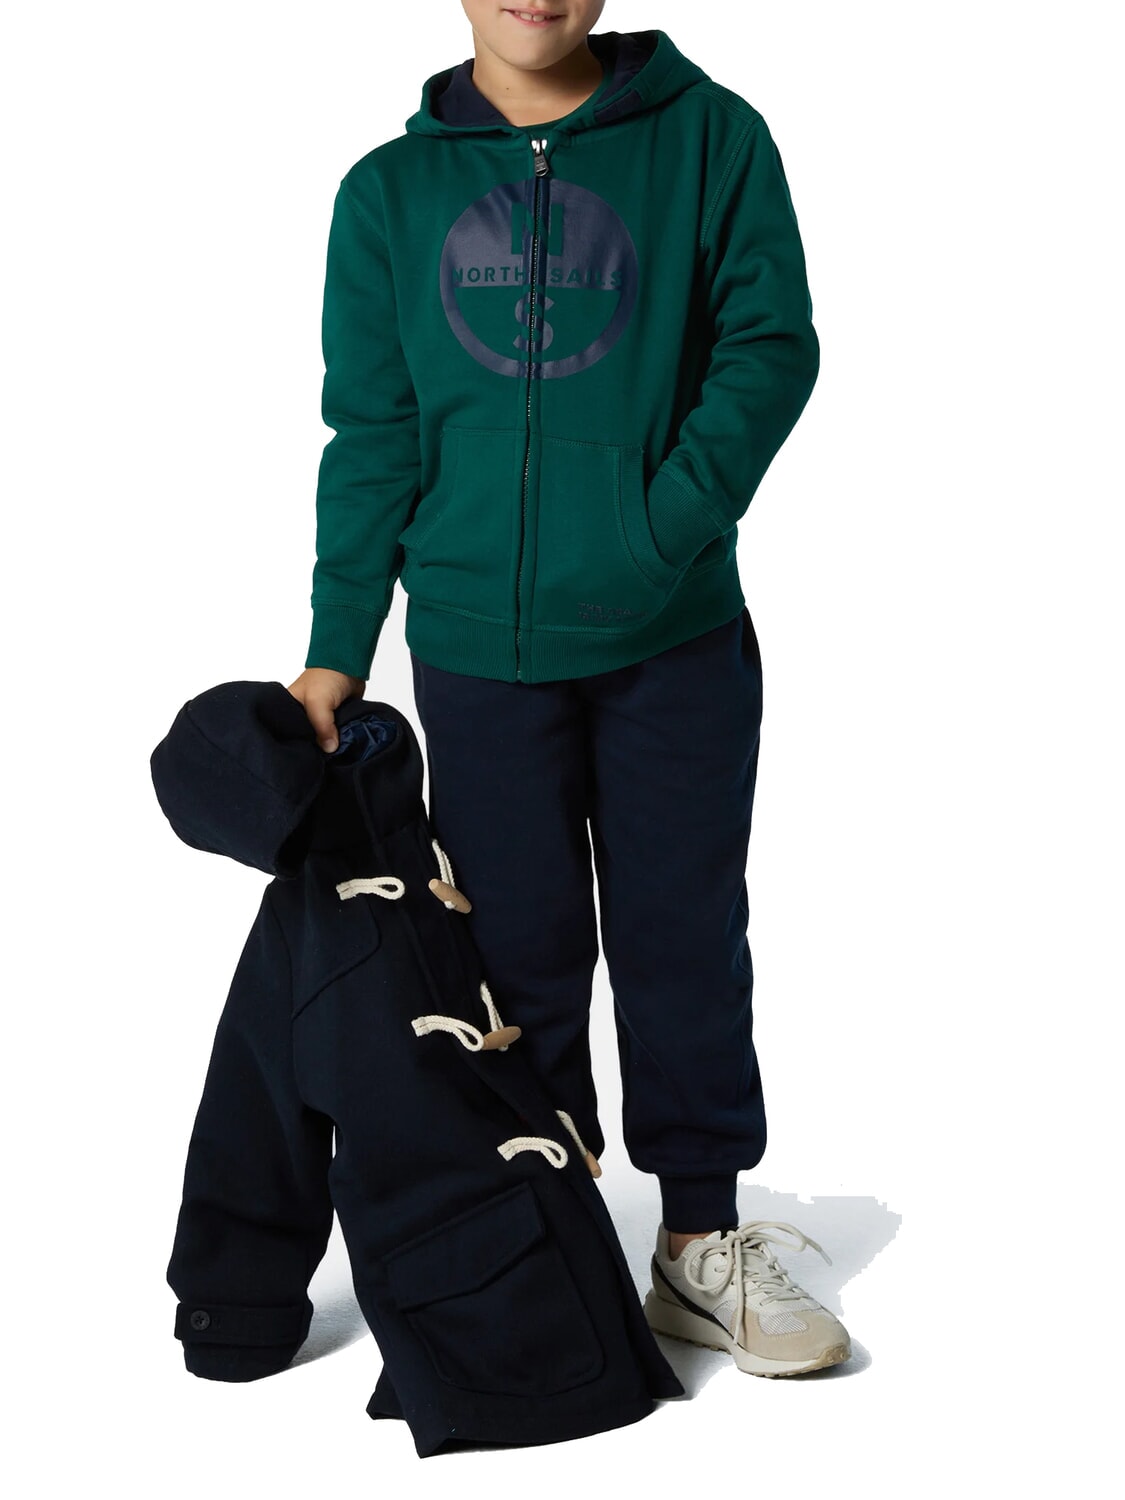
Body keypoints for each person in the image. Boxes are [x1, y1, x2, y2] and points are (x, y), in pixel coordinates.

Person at [287, 1, 851, 1380]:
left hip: (675, 642)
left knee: (681, 936)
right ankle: (549, 1230)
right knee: (512, 956)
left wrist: (658, 534)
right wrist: (337, 645)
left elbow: (770, 346)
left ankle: (699, 1240)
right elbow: (373, 430)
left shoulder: (711, 141)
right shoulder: (388, 192)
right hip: (476, 650)